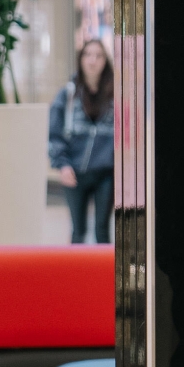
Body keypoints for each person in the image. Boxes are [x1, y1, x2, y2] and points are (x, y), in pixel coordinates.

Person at [48, 35, 115, 243]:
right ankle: (76, 266)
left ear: (105, 61)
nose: (93, 60)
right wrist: (62, 165)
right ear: (81, 59)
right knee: (78, 231)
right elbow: (54, 133)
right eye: (88, 55)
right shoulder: (68, 94)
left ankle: (105, 266)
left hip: (106, 173)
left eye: (98, 55)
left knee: (102, 229)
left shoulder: (116, 95)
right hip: (75, 172)